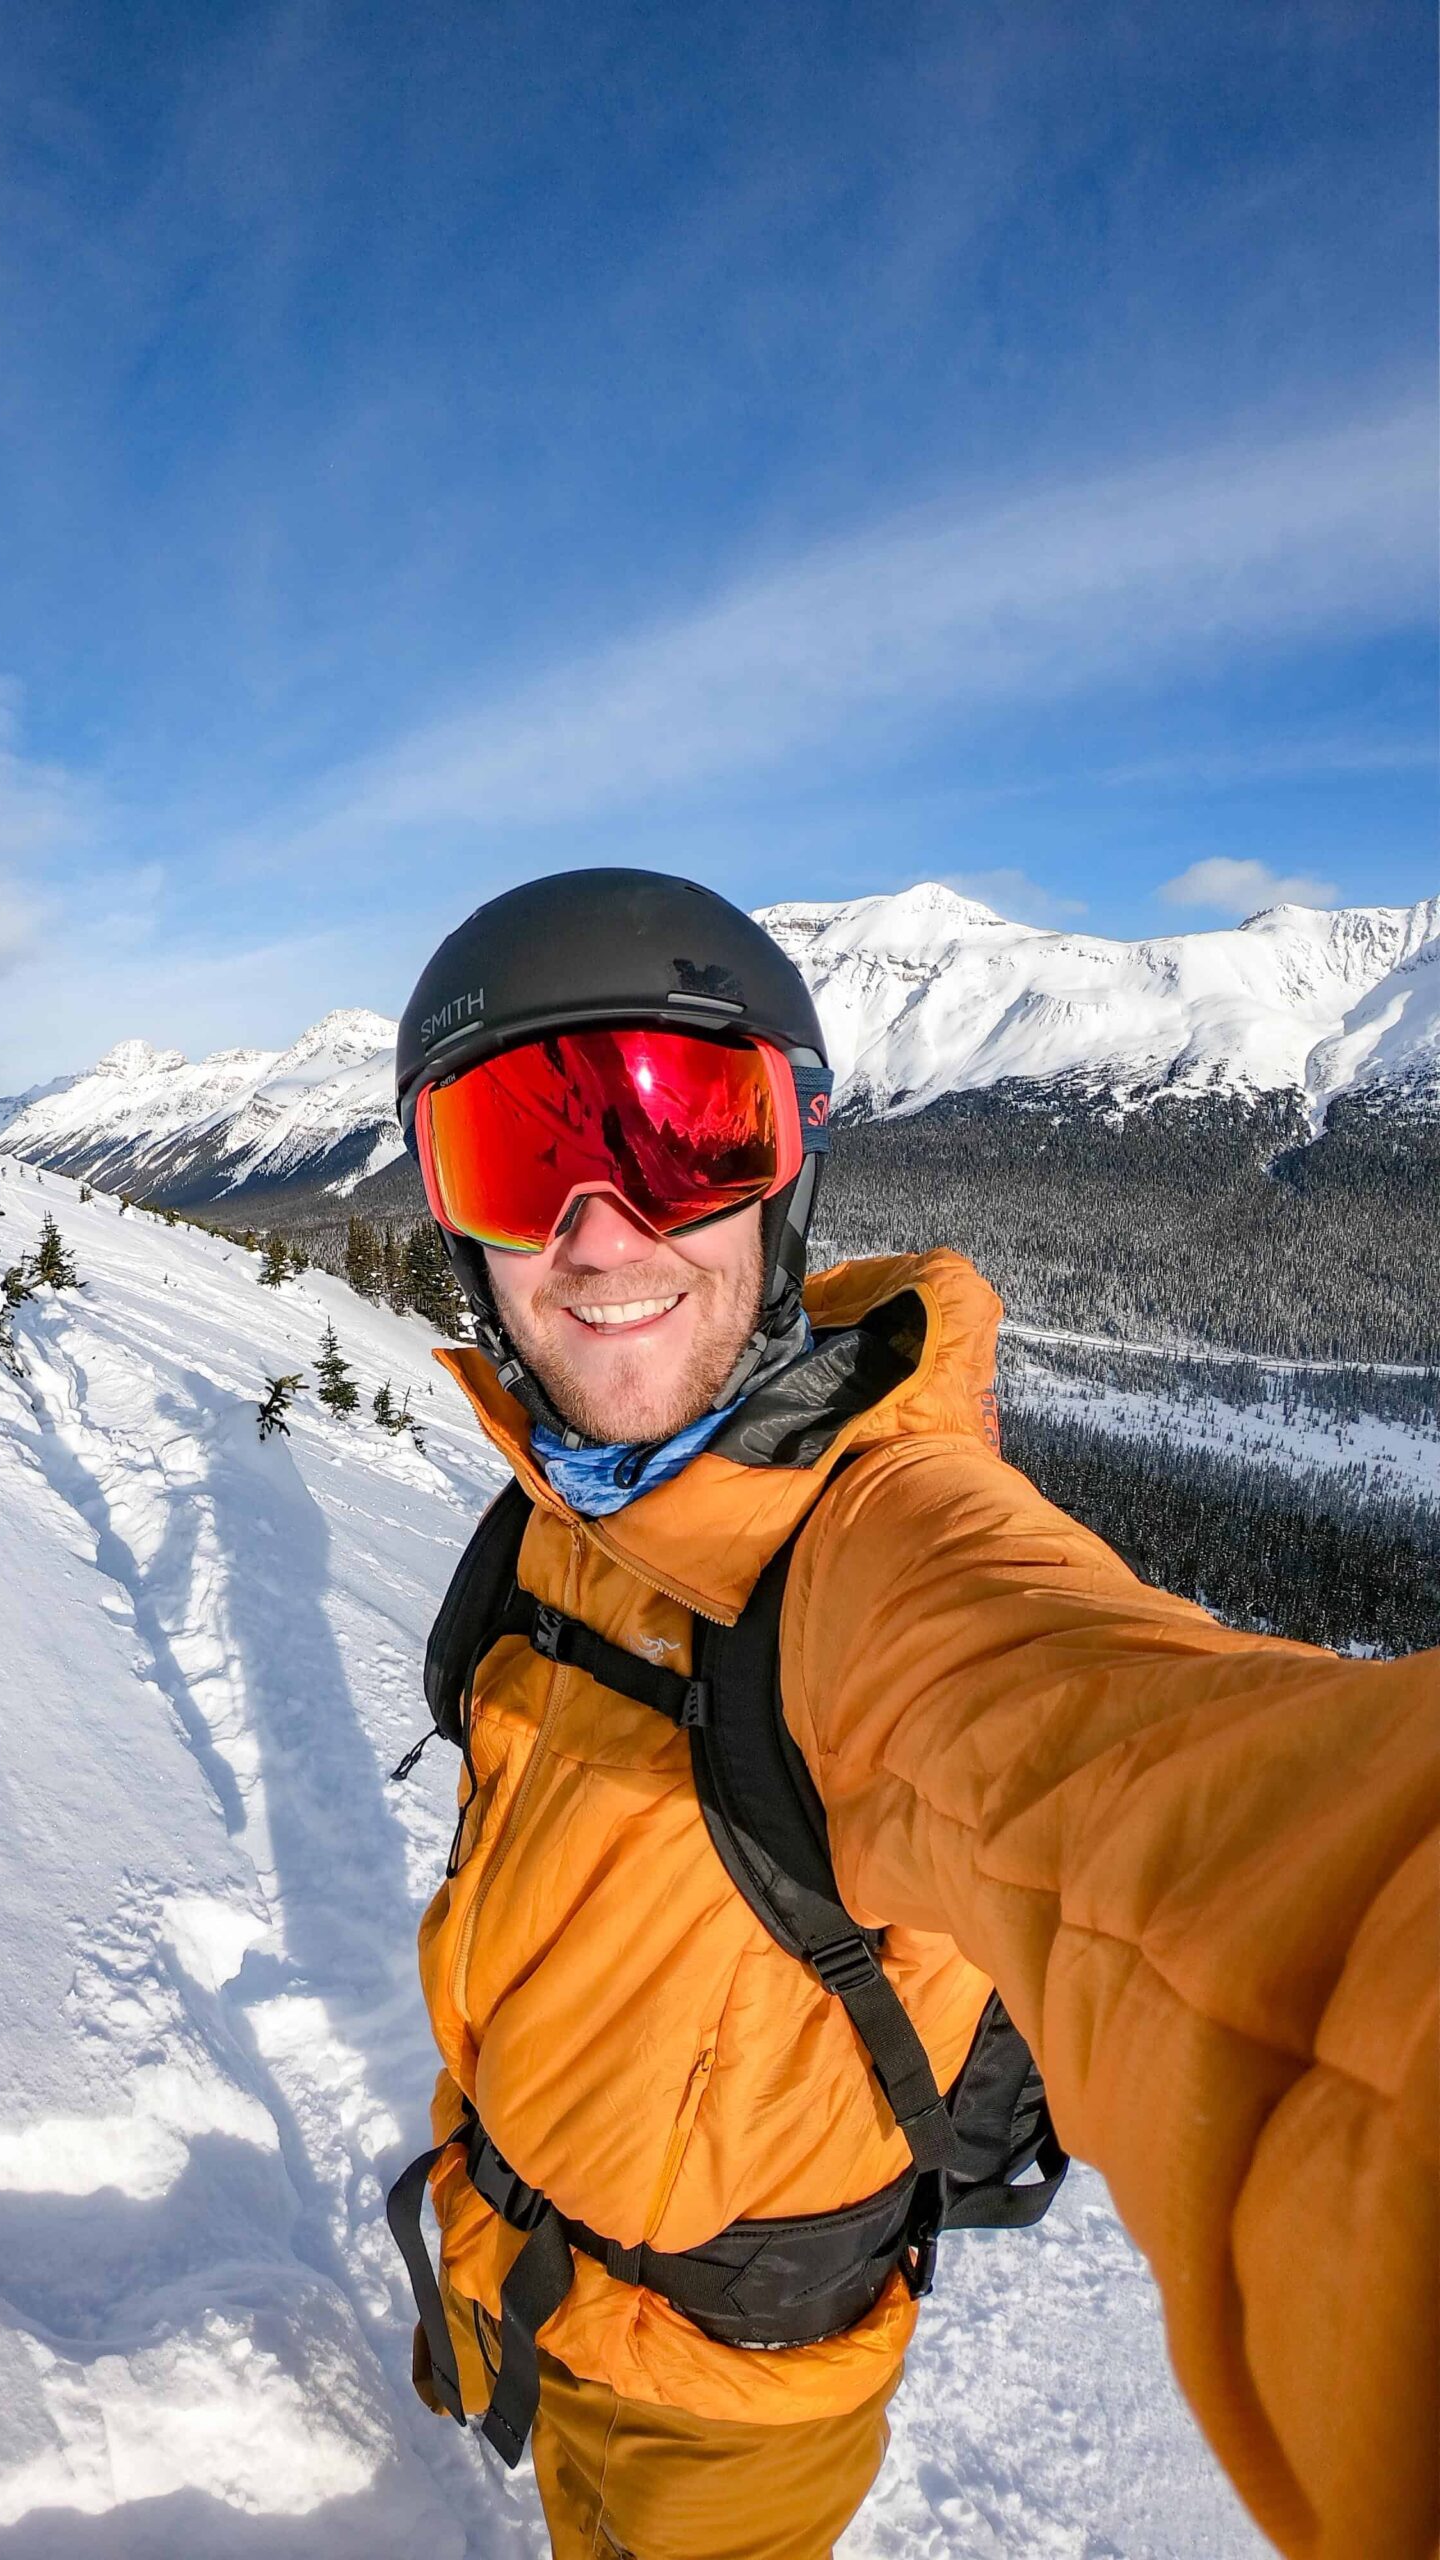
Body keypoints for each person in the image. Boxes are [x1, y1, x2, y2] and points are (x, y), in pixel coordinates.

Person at [384, 870, 1437, 2560]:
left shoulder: (878, 1558)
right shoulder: (566, 1511)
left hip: (728, 2405)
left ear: (789, 1164)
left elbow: (1202, 1818)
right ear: (461, 1222)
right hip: (500, 2244)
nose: (600, 1230)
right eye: (520, 1153)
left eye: (682, 1139)